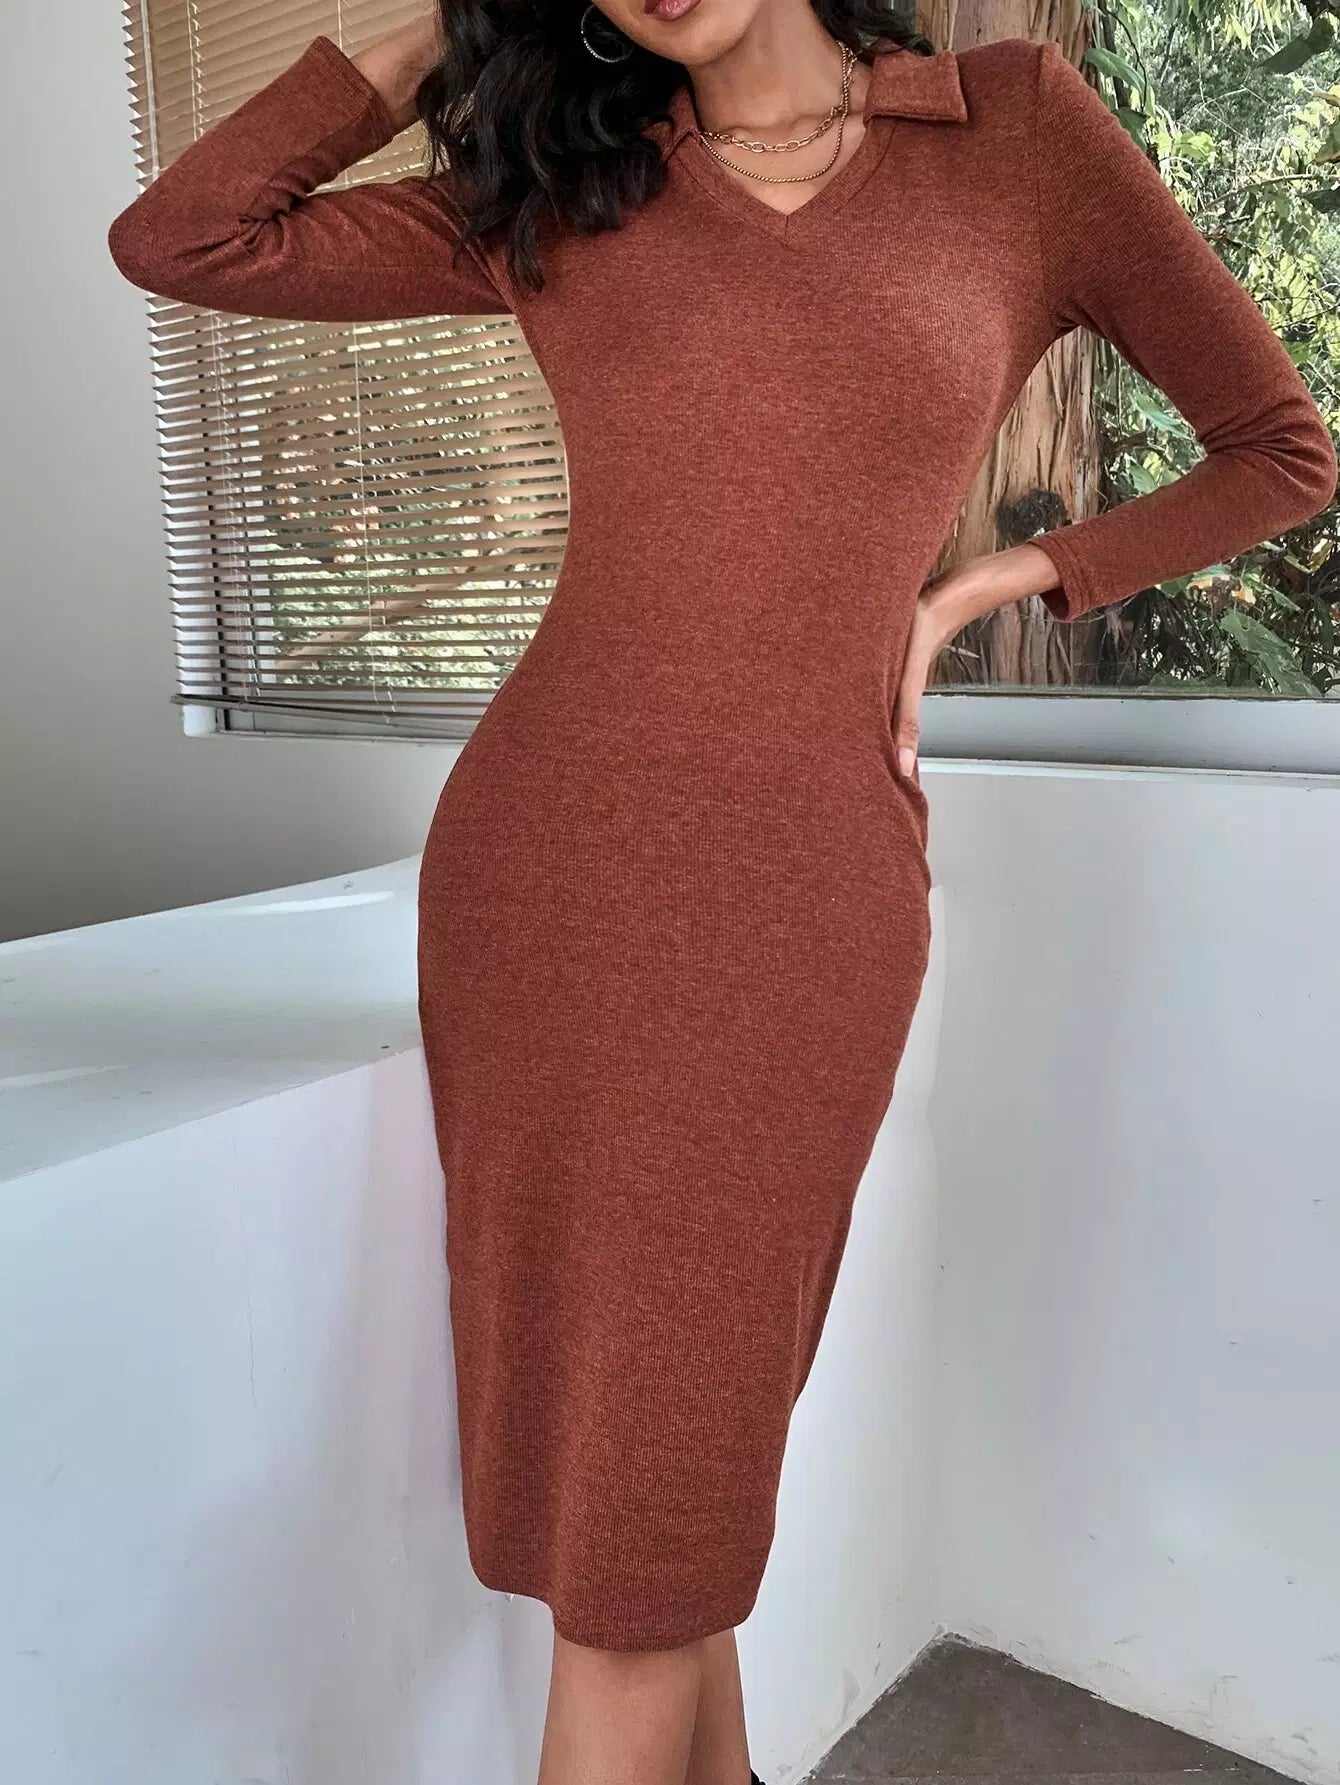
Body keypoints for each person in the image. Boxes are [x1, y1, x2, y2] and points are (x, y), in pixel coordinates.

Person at [106, 1, 1337, 1780]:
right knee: (634, 1538)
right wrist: (445, 23)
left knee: (659, 1510)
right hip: (547, 884)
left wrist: (982, 589)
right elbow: (186, 236)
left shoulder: (1015, 133)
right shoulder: (570, 186)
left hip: (809, 899)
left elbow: (1282, 447)